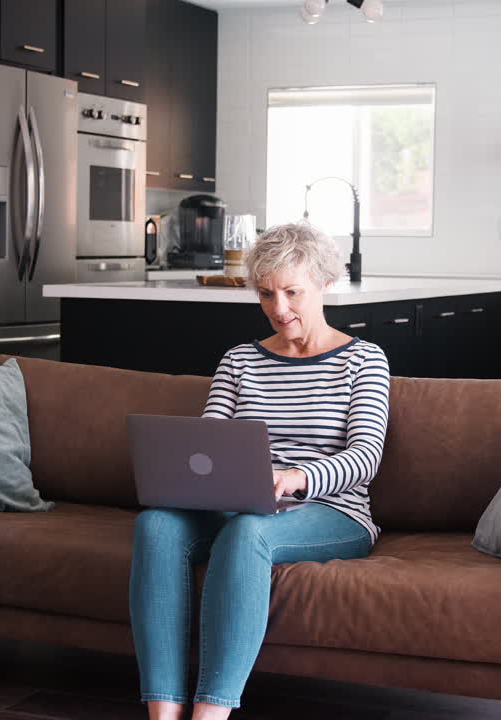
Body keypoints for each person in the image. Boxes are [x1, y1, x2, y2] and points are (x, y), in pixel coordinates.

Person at [129, 222, 391, 720]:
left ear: (324, 284)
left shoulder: (362, 361)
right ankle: (162, 714)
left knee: (249, 531)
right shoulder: (239, 361)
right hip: (237, 501)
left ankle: (211, 714)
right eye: (267, 294)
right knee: (156, 524)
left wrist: (296, 477)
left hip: (332, 510)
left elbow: (365, 458)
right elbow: (207, 443)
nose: (279, 308)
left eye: (293, 292)